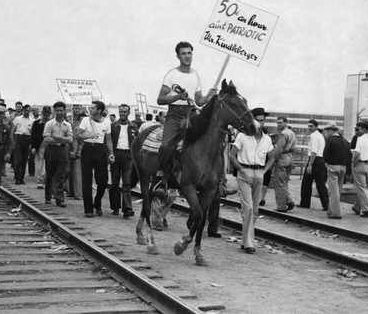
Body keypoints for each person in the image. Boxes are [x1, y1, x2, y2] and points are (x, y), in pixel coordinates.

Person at [154, 41, 217, 197]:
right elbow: (160, 99)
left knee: (209, 142)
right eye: (183, 53)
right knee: (166, 145)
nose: (187, 56)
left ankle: (215, 180)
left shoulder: (195, 75)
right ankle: (162, 178)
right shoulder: (172, 75)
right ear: (178, 56)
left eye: (189, 53)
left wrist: (209, 95)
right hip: (174, 115)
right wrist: (177, 97)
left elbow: (199, 101)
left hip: (191, 113)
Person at [229, 107, 274, 254]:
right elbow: (231, 155)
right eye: (257, 120)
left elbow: (272, 157)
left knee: (254, 210)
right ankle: (249, 243)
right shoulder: (242, 136)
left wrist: (264, 171)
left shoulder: (267, 139)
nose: (259, 123)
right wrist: (242, 170)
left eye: (262, 120)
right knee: (247, 208)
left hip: (259, 172)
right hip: (245, 172)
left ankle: (245, 240)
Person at [76, 100, 113, 218]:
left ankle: (97, 202)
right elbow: (78, 135)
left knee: (102, 180)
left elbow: (108, 140)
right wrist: (89, 136)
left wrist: (111, 153)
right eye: (90, 108)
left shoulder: (107, 122)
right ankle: (88, 209)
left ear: (99, 110)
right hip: (88, 149)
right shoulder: (86, 120)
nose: (90, 110)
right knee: (86, 180)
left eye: (93, 108)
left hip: (100, 150)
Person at [109, 104, 139, 218]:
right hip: (116, 155)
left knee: (126, 182)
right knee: (115, 182)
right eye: (121, 112)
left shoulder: (133, 126)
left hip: (128, 156)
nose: (122, 114)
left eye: (124, 112)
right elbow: (109, 140)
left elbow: (137, 141)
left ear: (128, 113)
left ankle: (127, 208)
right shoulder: (113, 126)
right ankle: (115, 207)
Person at [42, 101, 73, 207]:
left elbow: (70, 139)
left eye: (61, 110)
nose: (59, 112)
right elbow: (46, 139)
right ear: (54, 111)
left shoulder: (67, 125)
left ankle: (59, 198)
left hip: (63, 151)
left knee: (61, 175)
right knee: (50, 174)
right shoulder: (49, 124)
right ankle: (47, 197)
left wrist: (58, 138)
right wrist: (61, 140)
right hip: (51, 150)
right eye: (57, 110)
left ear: (64, 111)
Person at [322, 122, 352, 219]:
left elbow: (325, 154)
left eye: (328, 130)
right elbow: (349, 156)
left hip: (332, 167)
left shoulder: (330, 140)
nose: (327, 132)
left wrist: (327, 162)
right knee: (338, 190)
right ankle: (331, 210)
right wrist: (348, 171)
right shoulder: (345, 141)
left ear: (331, 131)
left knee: (333, 190)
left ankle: (335, 212)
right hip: (343, 167)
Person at [299, 119, 329, 210]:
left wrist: (310, 164)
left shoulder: (314, 136)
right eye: (308, 126)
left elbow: (314, 151)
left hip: (315, 160)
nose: (309, 128)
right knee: (320, 184)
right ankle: (326, 204)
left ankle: (305, 203)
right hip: (320, 160)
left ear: (316, 126)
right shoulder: (320, 135)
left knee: (306, 183)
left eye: (311, 126)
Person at [271, 116, 297, 212]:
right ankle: (289, 201)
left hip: (282, 158)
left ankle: (281, 206)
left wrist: (274, 159)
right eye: (277, 123)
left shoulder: (283, 134)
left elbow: (279, 149)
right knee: (285, 182)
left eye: (280, 123)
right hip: (290, 157)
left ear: (285, 123)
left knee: (279, 183)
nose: (278, 124)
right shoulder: (292, 133)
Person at [351, 120, 368, 218]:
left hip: (360, 164)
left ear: (364, 129)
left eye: (360, 128)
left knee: (361, 188)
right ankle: (357, 206)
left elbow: (357, 154)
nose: (359, 130)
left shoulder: (360, 139)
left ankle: (367, 211)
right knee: (365, 188)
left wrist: (353, 164)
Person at [12, 104, 33, 185]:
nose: (27, 112)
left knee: (24, 160)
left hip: (27, 138)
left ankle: (21, 178)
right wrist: (13, 141)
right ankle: (17, 177)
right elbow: (13, 129)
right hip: (18, 137)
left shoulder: (32, 120)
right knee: (18, 159)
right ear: (23, 110)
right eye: (26, 110)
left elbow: (32, 132)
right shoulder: (18, 119)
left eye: (28, 110)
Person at [69, 112, 87, 200]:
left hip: (87, 154)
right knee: (77, 175)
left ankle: (79, 192)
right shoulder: (77, 129)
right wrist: (75, 152)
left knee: (82, 175)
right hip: (79, 154)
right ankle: (78, 194)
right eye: (81, 120)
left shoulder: (88, 129)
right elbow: (75, 142)